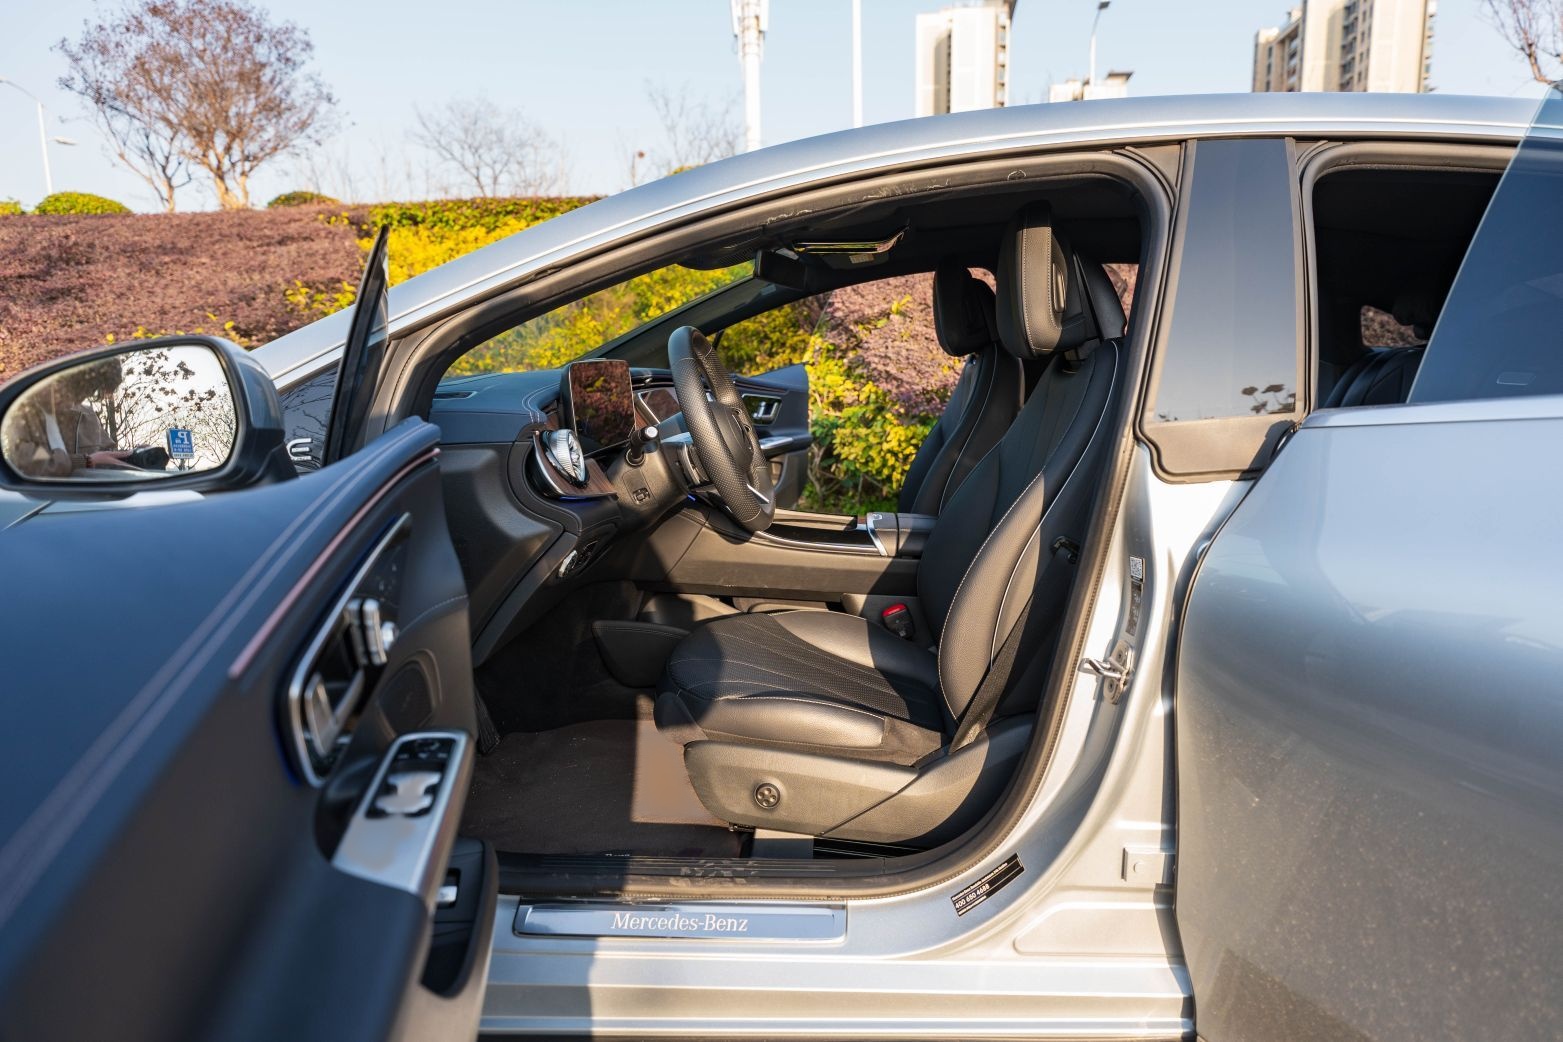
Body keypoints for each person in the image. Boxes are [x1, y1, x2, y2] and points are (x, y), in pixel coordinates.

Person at [2, 358, 169, 478]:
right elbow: (25, 459)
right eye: (81, 390)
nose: (82, 398)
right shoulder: (19, 412)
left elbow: (104, 457)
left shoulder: (87, 415)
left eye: (92, 391)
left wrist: (132, 455)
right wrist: (84, 462)